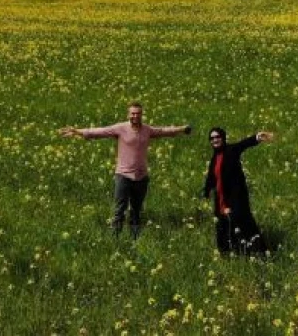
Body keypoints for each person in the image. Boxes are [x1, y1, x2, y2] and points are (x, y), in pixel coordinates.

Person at [59, 102, 191, 238]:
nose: (135, 116)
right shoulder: (120, 128)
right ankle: (115, 240)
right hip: (123, 176)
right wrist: (77, 132)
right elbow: (99, 132)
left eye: (138, 113)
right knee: (119, 210)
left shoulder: (147, 130)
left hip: (141, 177)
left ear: (141, 114)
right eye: (133, 113)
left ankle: (135, 239)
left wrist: (182, 129)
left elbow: (165, 131)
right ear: (128, 114)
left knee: (136, 211)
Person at [203, 127, 275, 255]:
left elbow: (243, 144)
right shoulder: (215, 157)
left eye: (217, 137)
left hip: (236, 197)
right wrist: (207, 190)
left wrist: (257, 137)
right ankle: (227, 252)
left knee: (242, 221)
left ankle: (259, 251)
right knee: (223, 225)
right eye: (212, 138)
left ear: (223, 138)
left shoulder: (231, 150)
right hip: (221, 198)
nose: (215, 140)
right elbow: (211, 176)